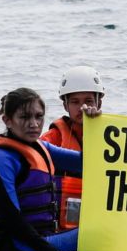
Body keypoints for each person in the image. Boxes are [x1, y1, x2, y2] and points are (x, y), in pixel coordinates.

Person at [0, 87, 86, 251]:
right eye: (25, 117)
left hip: (40, 240)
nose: (34, 124)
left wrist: (92, 123)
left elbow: (84, 163)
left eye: (39, 116)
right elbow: (12, 220)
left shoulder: (41, 148)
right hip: (16, 248)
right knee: (97, 236)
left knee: (102, 228)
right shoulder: (0, 159)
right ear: (7, 120)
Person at [41, 65, 104, 231]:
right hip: (62, 227)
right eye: (75, 102)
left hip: (99, 222)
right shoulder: (52, 138)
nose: (82, 107)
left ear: (99, 102)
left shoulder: (112, 137)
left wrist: (95, 126)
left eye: (88, 101)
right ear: (65, 105)